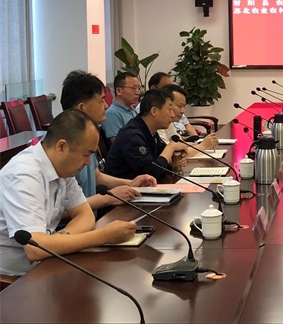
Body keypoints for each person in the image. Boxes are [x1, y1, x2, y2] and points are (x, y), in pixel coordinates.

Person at [0, 110, 137, 276]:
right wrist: (104, 236)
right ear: (61, 147)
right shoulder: (23, 175)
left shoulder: (62, 168)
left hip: (49, 262)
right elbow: (35, 249)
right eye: (86, 154)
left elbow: (85, 215)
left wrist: (57, 240)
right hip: (13, 279)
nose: (88, 163)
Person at [61, 70, 157, 212]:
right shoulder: (65, 144)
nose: (106, 105)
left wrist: (131, 183)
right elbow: (59, 211)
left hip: (90, 217)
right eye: (101, 100)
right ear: (82, 107)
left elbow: (96, 176)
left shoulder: (85, 136)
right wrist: (108, 198)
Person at [104, 89, 189, 180]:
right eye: (169, 109)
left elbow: (160, 156)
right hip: (123, 187)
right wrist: (171, 147)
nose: (172, 115)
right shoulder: (131, 135)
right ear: (154, 111)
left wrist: (175, 161)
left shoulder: (150, 131)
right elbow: (151, 172)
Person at [158, 84, 218, 151]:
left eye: (184, 106)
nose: (183, 111)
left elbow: (179, 144)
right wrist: (202, 146)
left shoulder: (169, 122)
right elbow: (172, 153)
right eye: (180, 106)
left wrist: (202, 143)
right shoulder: (158, 124)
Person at [144, 72, 204, 138]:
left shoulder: (168, 120)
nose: (172, 115)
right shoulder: (156, 120)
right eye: (180, 106)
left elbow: (176, 140)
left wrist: (197, 140)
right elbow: (167, 144)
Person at [102, 71, 141, 143]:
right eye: (133, 88)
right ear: (119, 91)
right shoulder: (112, 114)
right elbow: (119, 144)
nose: (138, 92)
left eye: (139, 88)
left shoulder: (132, 110)